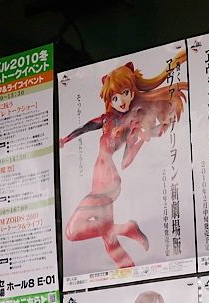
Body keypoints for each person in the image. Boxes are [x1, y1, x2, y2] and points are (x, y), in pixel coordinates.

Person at [60, 50, 188, 267]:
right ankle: (130, 271)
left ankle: (127, 228)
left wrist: (149, 134)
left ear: (132, 92)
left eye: (125, 93)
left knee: (72, 232)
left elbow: (128, 158)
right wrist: (65, 139)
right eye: (115, 97)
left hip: (107, 183)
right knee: (110, 243)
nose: (120, 101)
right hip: (99, 180)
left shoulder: (132, 124)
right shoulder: (107, 118)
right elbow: (85, 127)